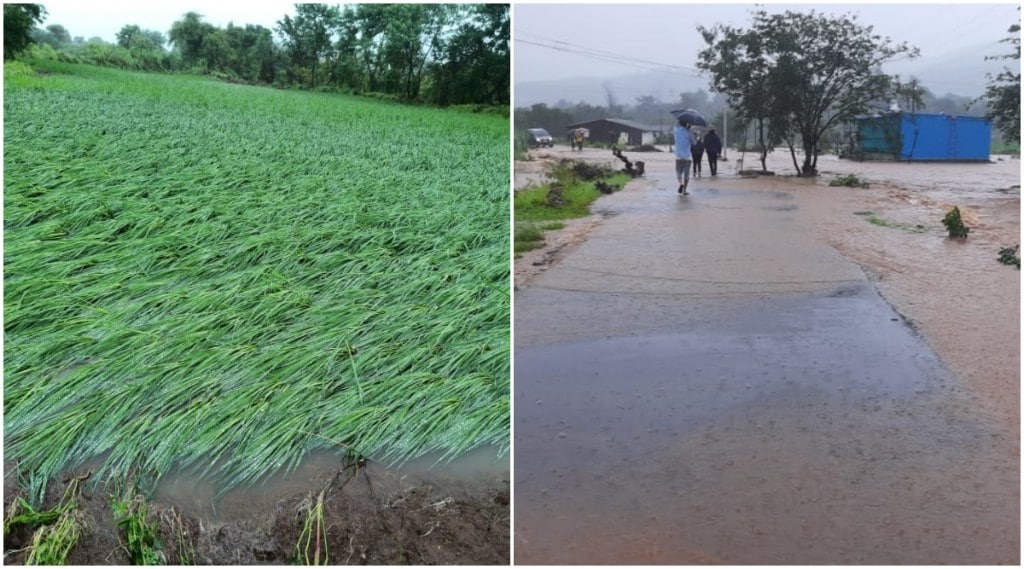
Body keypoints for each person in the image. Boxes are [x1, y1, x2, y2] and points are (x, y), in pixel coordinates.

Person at [673, 118, 696, 195]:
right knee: (686, 174)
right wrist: (690, 130)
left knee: (678, 172)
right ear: (687, 124)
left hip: (678, 156)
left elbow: (675, 130)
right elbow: (694, 143)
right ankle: (684, 190)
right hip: (687, 156)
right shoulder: (689, 132)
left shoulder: (675, 131)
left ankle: (680, 183)